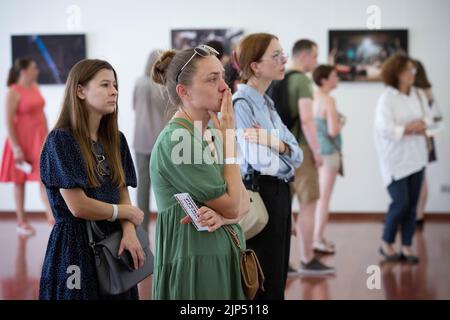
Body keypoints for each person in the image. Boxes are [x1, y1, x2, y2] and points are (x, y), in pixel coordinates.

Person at [39, 59, 145, 299]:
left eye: (115, 85)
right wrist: (124, 213)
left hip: (116, 244)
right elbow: (78, 206)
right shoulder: (61, 140)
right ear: (80, 91)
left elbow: (122, 192)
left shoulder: (116, 139)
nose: (114, 91)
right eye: (105, 85)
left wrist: (129, 232)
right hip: (76, 249)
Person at [150, 45, 249, 299]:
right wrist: (229, 137)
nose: (225, 87)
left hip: (219, 256)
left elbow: (243, 203)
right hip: (195, 263)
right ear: (184, 92)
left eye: (223, 76)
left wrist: (225, 217)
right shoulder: (178, 140)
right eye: (212, 79)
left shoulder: (210, 131)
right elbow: (233, 205)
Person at [233, 33, 302, 299]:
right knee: (264, 280)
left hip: (279, 191)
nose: (283, 60)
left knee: (278, 275)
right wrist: (283, 150)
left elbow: (297, 154)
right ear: (255, 66)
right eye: (276, 56)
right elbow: (260, 160)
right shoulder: (241, 104)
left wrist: (273, 141)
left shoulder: (267, 103)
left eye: (282, 54)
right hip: (261, 193)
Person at [375, 54, 432, 264]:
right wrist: (408, 128)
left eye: (413, 70)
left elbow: (428, 118)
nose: (412, 74)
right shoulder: (387, 97)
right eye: (408, 70)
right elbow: (384, 128)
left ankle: (407, 246)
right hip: (395, 158)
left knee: (413, 204)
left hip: (417, 156)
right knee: (401, 202)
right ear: (396, 73)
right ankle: (386, 243)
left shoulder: (418, 94)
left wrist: (422, 124)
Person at [287, 39, 335, 274]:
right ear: (304, 56)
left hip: (278, 150)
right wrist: (317, 151)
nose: (316, 62)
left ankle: (282, 263)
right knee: (308, 205)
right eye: (315, 57)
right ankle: (307, 258)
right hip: (301, 150)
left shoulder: (280, 78)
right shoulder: (302, 81)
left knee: (283, 208)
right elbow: (307, 119)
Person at [0, 58, 54, 235]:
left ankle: (50, 216)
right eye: (34, 68)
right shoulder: (13, 92)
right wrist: (16, 147)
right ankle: (21, 221)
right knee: (19, 181)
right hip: (21, 142)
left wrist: (47, 136)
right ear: (23, 71)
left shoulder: (35, 87)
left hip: (38, 141)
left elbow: (42, 113)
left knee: (44, 179)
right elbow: (8, 122)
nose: (37, 70)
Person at [133, 50, 170, 232]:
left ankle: (141, 229)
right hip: (160, 141)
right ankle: (166, 228)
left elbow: (134, 107)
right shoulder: (162, 85)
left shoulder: (139, 83)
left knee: (142, 187)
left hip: (140, 141)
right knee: (164, 187)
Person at [312, 65, 344, 254]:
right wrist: (341, 122)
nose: (337, 78)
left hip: (316, 152)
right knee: (324, 199)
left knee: (319, 198)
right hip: (329, 153)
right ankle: (317, 239)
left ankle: (318, 237)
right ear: (324, 80)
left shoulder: (312, 97)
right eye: (334, 76)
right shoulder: (329, 100)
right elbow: (333, 130)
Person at [412, 59, 442, 229]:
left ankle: (417, 216)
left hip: (420, 137)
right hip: (426, 136)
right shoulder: (427, 89)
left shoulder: (418, 92)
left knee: (419, 178)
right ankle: (419, 215)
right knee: (421, 177)